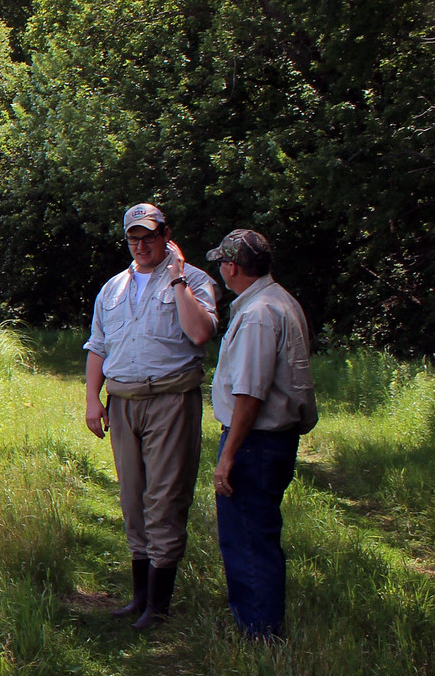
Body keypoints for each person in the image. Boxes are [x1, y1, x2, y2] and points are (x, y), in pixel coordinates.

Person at [82, 203, 221, 629]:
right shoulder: (112, 289)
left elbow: (200, 333)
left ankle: (158, 608)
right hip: (123, 403)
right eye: (133, 238)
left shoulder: (194, 280)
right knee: (133, 500)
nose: (141, 245)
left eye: (149, 236)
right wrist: (92, 397)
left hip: (171, 400)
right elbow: (98, 347)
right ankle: (139, 598)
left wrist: (178, 276)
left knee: (164, 500)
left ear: (166, 235)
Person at [207, 229, 318, 640]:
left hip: (256, 442)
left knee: (248, 540)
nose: (220, 269)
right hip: (272, 441)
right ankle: (260, 624)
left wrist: (228, 456)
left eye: (223, 262)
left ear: (232, 267)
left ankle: (261, 634)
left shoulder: (258, 314)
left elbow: (249, 394)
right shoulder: (280, 301)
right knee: (258, 535)